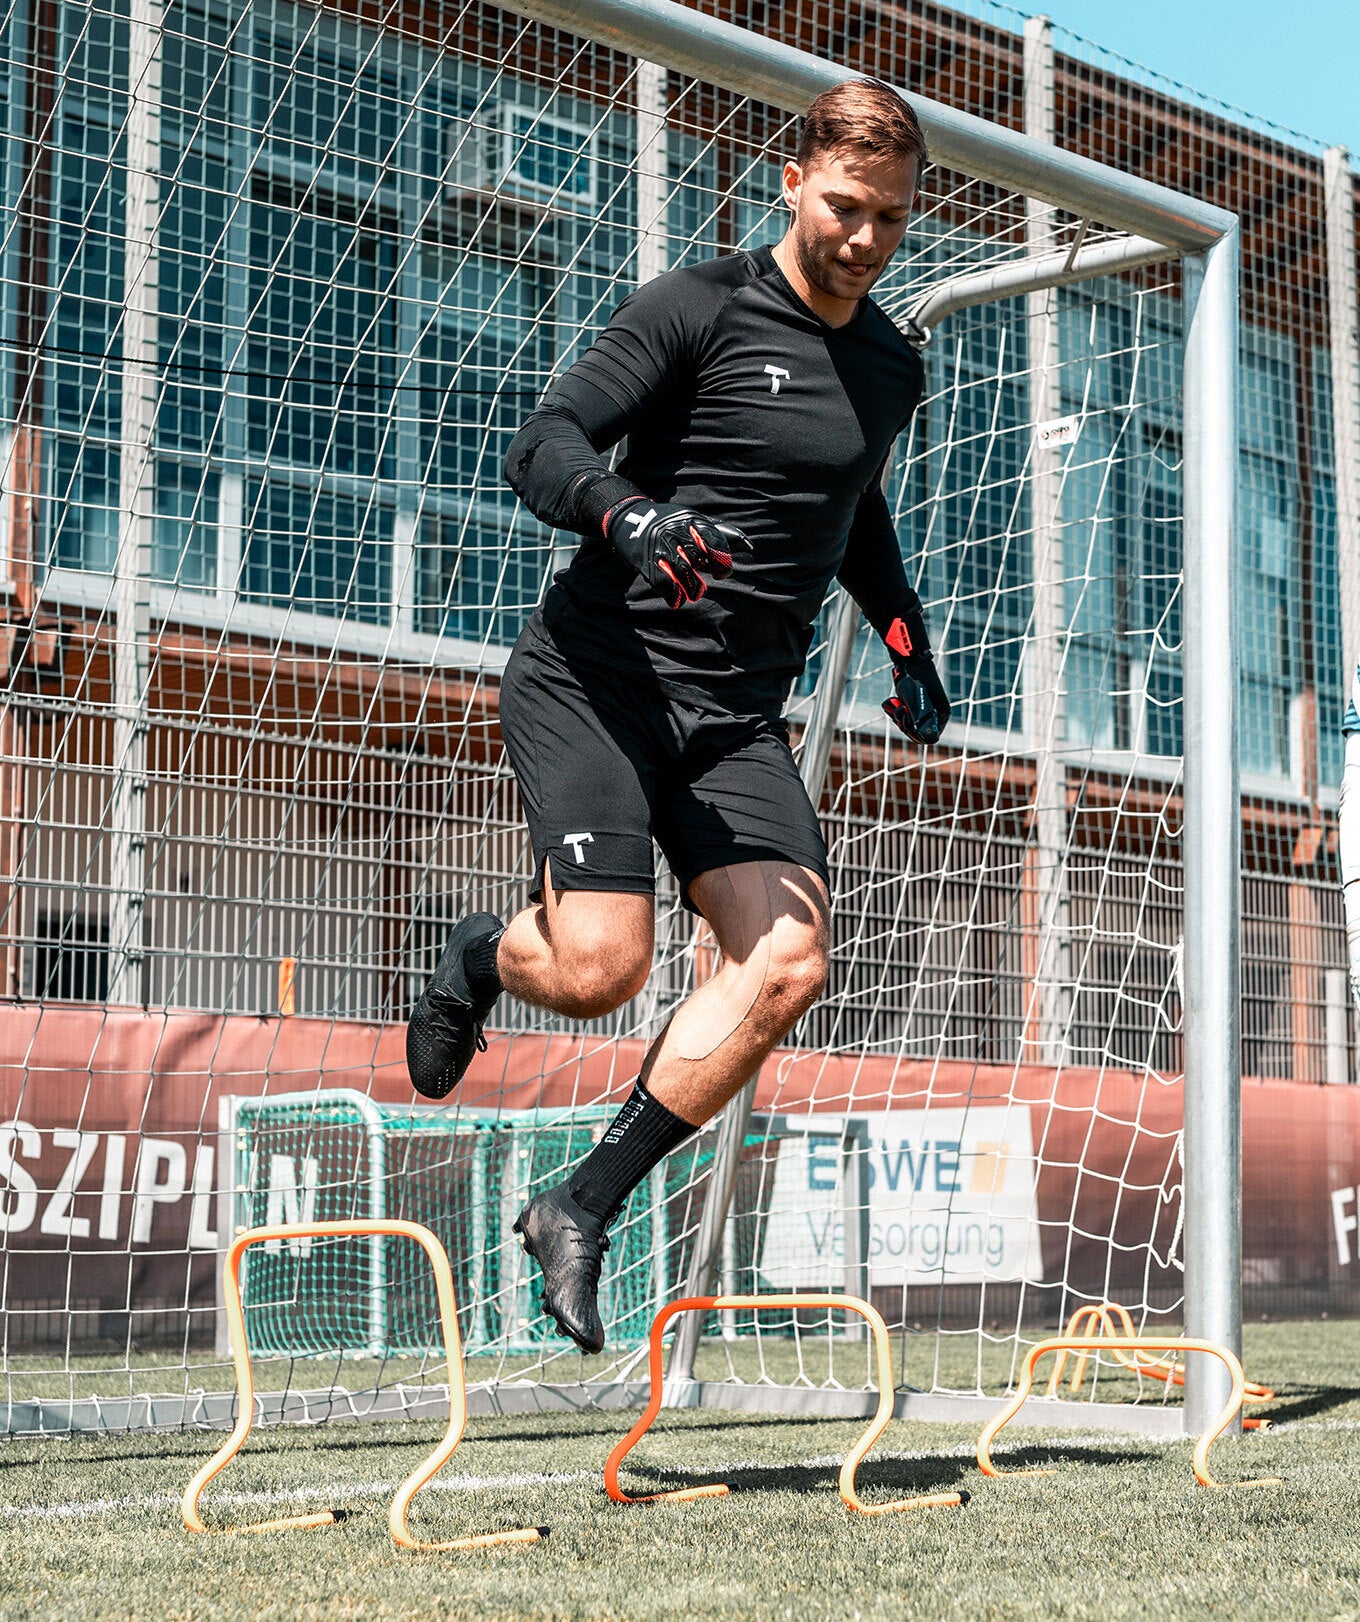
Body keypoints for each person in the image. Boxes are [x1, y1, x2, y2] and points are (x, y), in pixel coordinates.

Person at [406, 78, 951, 1353]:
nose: (865, 237)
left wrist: (904, 634)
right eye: (845, 206)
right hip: (597, 681)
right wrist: (628, 512)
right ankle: (482, 955)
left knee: (790, 961)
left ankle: (580, 1202)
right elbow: (545, 440)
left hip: (731, 720)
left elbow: (851, 505)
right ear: (792, 182)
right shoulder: (695, 307)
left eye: (889, 217)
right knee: (600, 970)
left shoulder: (891, 363)